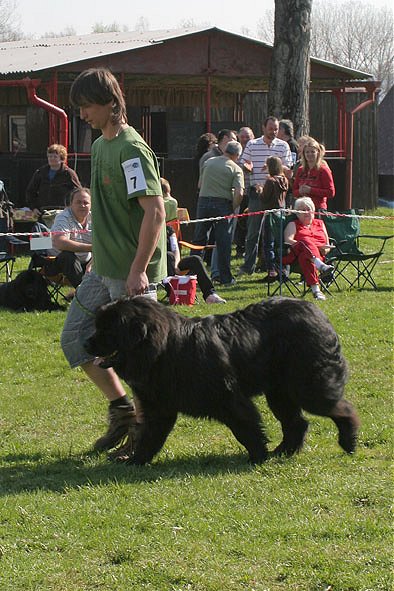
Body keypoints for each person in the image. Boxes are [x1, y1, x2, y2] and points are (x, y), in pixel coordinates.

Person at [61, 67, 167, 454]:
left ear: (111, 103)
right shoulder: (100, 145)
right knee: (75, 340)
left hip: (130, 276)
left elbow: (155, 212)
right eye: (79, 107)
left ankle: (143, 433)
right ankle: (122, 412)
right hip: (103, 269)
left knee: (140, 361)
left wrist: (139, 270)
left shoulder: (131, 149)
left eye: (87, 105)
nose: (82, 113)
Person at [238, 116, 293, 276]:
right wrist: (248, 167)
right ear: (263, 128)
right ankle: (248, 266)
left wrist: (274, 166)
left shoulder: (283, 146)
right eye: (271, 128)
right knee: (253, 232)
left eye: (276, 129)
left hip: (276, 196)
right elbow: (243, 163)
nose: (274, 131)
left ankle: (277, 266)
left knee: (276, 232)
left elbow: (288, 168)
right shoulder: (252, 144)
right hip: (257, 193)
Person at [192, 140, 244, 286]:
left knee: (199, 241)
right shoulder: (235, 168)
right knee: (223, 243)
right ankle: (226, 278)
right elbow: (239, 193)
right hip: (222, 204)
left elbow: (199, 184)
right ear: (237, 155)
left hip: (203, 201)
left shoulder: (209, 162)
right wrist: (232, 207)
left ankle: (192, 276)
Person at [34, 187, 92, 289]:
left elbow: (104, 243)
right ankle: (84, 292)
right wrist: (92, 248)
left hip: (86, 263)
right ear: (70, 205)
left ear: (91, 205)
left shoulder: (95, 218)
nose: (82, 205)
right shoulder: (63, 217)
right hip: (55, 264)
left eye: (86, 203)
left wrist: (94, 261)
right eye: (78, 202)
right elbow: (60, 242)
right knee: (68, 256)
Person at [283, 197, 334, 301]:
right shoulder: (293, 224)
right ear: (297, 213)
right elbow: (288, 241)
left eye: (308, 209)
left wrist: (326, 249)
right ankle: (319, 266)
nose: (306, 212)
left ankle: (316, 290)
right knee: (305, 241)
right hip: (294, 255)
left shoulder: (320, 223)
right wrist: (306, 244)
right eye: (302, 210)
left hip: (316, 255)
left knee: (305, 257)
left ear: (313, 211)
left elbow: (327, 244)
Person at [26, 144, 82, 215]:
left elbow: (78, 192)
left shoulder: (69, 173)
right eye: (50, 156)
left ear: (62, 158)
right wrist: (34, 208)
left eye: (55, 156)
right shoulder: (40, 173)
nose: (51, 158)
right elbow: (31, 192)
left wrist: (72, 208)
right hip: (43, 211)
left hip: (63, 211)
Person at [259, 156, 289, 282]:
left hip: (270, 213)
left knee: (268, 244)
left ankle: (271, 271)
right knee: (279, 242)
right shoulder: (284, 180)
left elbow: (264, 198)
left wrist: (260, 190)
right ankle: (282, 269)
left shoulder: (270, 181)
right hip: (281, 212)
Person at [292, 137, 335, 211]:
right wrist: (300, 191)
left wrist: (311, 190)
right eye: (307, 152)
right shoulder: (300, 170)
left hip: (318, 209)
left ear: (318, 153)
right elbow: (294, 192)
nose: (309, 154)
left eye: (312, 152)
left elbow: (331, 192)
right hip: (301, 209)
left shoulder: (323, 170)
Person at [233, 126, 255, 257]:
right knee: (241, 221)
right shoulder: (236, 152)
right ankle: (240, 248)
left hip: (255, 191)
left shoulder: (255, 149)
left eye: (248, 136)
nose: (245, 139)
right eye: (243, 137)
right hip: (241, 192)